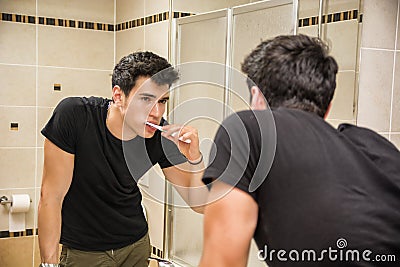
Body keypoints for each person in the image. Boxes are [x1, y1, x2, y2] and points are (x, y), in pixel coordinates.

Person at [199, 34, 400, 267]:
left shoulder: (248, 129)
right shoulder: (374, 145)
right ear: (327, 108)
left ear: (256, 97)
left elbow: (223, 261)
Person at [38, 51, 206, 267]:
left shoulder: (160, 136)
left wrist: (195, 158)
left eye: (162, 101)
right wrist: (48, 264)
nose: (156, 112)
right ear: (118, 96)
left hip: (136, 245)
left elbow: (200, 204)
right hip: (85, 252)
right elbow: (51, 197)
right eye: (146, 99)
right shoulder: (75, 116)